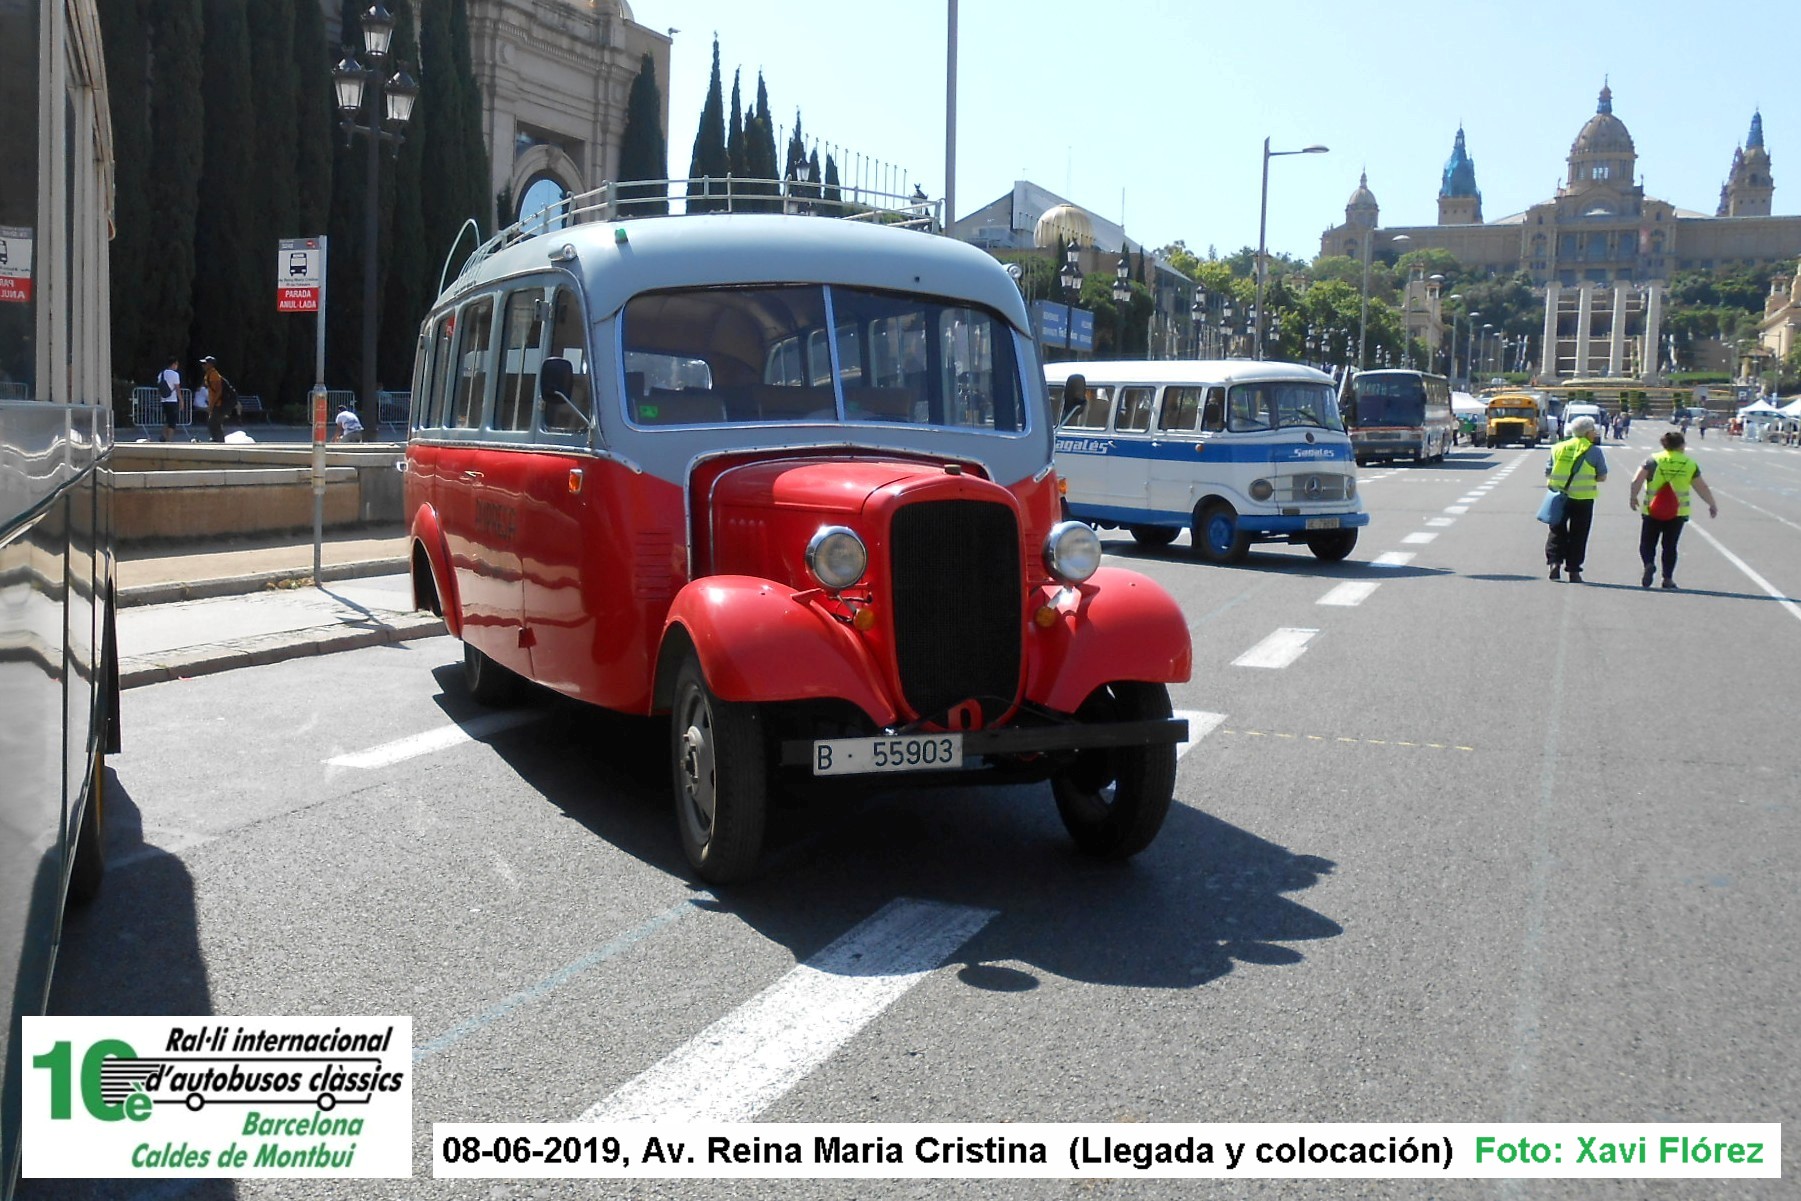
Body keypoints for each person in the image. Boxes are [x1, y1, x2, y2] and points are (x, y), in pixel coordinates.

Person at [1629, 429, 1718, 590]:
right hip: (1678, 512)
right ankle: (1668, 578)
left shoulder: (1652, 460)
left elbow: (1636, 480)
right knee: (1670, 546)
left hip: (1652, 510)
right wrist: (1711, 503)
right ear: (1682, 445)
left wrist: (1633, 497)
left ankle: (1649, 563)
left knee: (1647, 543)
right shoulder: (1689, 463)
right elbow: (1701, 487)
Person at [1544, 414, 1608, 583]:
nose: (1595, 433)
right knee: (1579, 534)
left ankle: (1554, 563)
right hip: (1583, 498)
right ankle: (1574, 570)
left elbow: (1548, 471)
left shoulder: (1558, 448)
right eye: (1593, 430)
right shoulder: (1594, 451)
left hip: (1559, 496)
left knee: (1556, 530)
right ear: (1587, 432)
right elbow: (1602, 476)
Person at [198, 356, 229, 442]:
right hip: (215, 403)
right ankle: (217, 440)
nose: (203, 365)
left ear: (210, 365)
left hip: (218, 404)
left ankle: (219, 441)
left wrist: (212, 404)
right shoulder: (209, 374)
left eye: (205, 363)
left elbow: (219, 391)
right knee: (214, 423)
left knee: (213, 423)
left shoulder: (214, 375)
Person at [157, 356, 182, 441]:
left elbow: (159, 388)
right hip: (172, 400)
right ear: (173, 364)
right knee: (172, 421)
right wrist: (181, 401)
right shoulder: (175, 374)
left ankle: (163, 435)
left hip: (164, 400)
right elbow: (177, 389)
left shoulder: (161, 374)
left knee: (168, 418)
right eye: (177, 364)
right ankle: (169, 440)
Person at [191, 379, 209, 443]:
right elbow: (209, 398)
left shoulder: (198, 389)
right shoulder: (204, 389)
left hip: (195, 405)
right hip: (200, 406)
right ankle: (210, 423)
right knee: (212, 410)